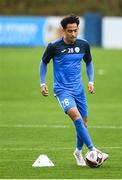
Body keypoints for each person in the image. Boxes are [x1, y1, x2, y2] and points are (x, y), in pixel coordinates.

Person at [39, 15, 108, 166]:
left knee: (83, 123)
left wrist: (91, 81)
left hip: (79, 90)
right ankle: (93, 150)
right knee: (76, 117)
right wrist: (42, 83)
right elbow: (44, 62)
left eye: (75, 30)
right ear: (63, 31)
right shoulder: (54, 46)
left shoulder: (84, 45)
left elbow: (89, 62)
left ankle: (78, 152)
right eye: (70, 31)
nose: (73, 34)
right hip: (62, 90)